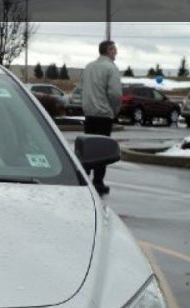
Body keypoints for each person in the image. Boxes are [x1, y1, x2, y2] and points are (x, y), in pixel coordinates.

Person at [81, 40, 122, 195]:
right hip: (104, 114)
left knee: (89, 148)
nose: (116, 52)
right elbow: (115, 94)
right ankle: (98, 182)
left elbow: (83, 88)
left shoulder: (89, 67)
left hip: (89, 113)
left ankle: (84, 176)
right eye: (114, 49)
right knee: (102, 150)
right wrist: (114, 110)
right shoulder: (111, 68)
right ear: (109, 50)